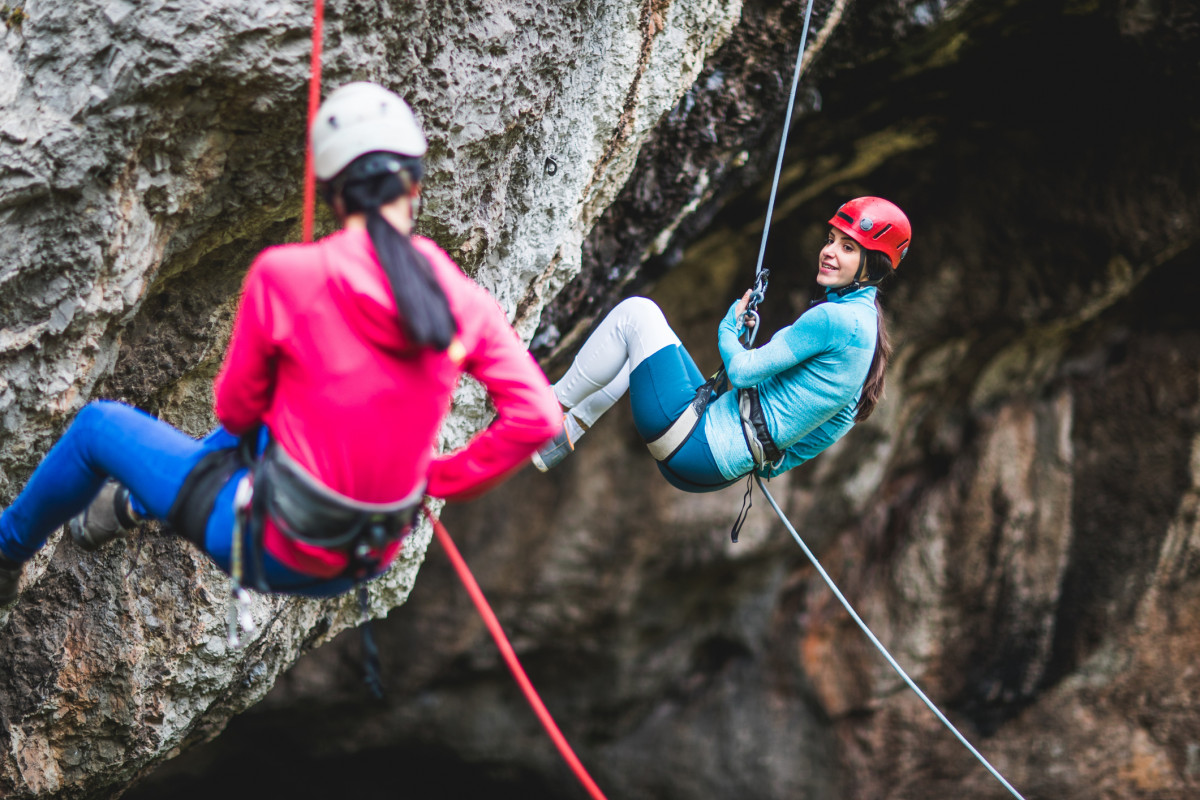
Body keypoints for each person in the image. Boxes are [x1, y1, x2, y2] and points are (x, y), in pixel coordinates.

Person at [0, 82, 561, 606]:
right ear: (414, 186)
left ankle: (7, 549)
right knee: (295, 417)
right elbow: (537, 417)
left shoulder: (289, 275)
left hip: (264, 543)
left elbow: (236, 413)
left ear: (335, 193)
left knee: (98, 428)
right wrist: (438, 478)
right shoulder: (464, 301)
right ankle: (130, 503)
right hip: (365, 558)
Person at [532, 196, 910, 494]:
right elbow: (840, 420)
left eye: (848, 248)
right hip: (717, 468)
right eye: (831, 241)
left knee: (637, 314)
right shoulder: (868, 329)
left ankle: (544, 410)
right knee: (643, 349)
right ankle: (564, 433)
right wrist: (772, 459)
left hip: (696, 446)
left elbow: (742, 372)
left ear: (872, 266)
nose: (829, 251)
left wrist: (729, 330)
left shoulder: (833, 318)